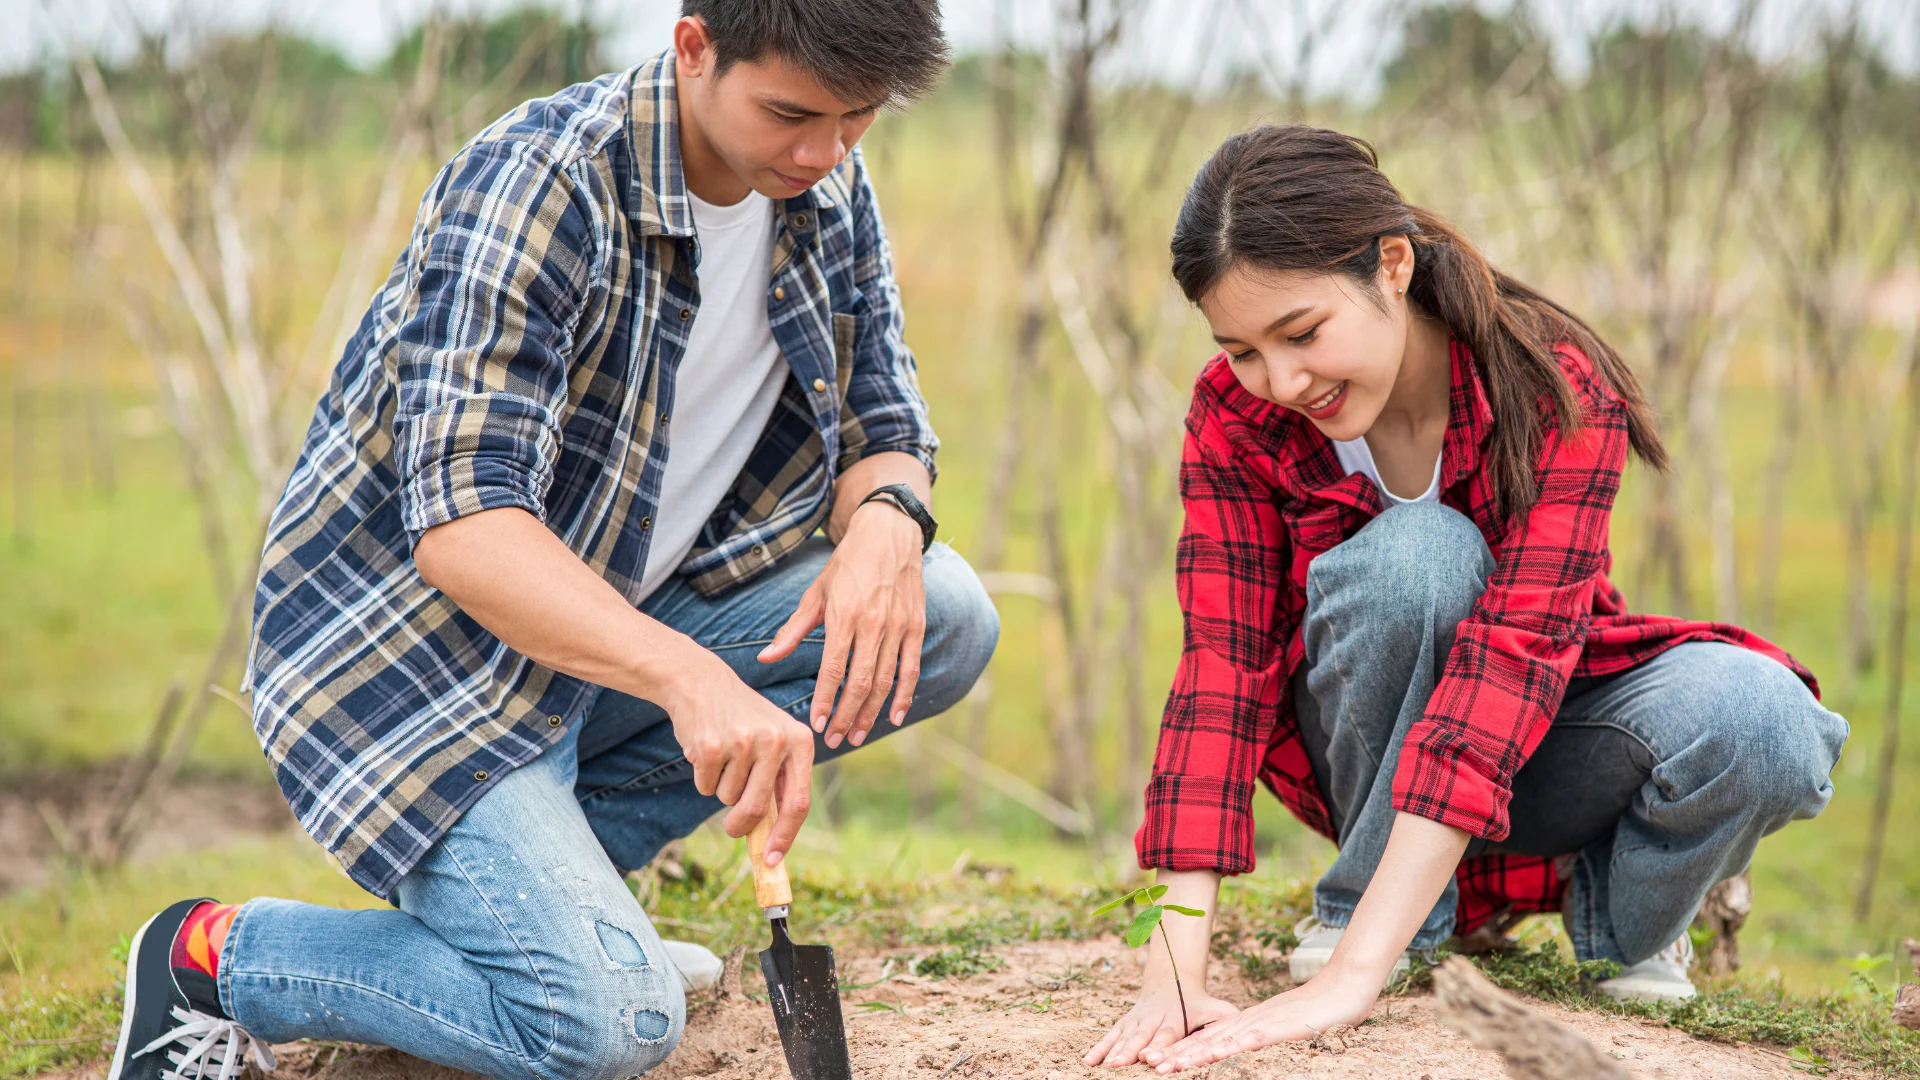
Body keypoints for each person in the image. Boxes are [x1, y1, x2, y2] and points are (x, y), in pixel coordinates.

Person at [108, 4, 997, 1079]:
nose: (825, 151)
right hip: (419, 672)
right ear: (694, 48)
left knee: (943, 613)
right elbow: (464, 527)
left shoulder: (821, 183)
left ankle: (566, 908)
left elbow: (887, 425)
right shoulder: (540, 180)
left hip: (611, 636)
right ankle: (217, 956)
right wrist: (687, 679)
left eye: (858, 119)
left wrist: (887, 524)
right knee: (608, 1027)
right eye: (792, 114)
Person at [1087, 124, 1847, 1074]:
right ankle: (1381, 916)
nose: (1281, 381)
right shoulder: (1236, 416)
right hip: (1370, 760)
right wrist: (1172, 966)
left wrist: (1346, 982)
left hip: (1538, 727)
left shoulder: (1554, 384)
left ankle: (1619, 911)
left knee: (1769, 718)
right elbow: (1223, 668)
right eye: (1240, 349)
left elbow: (1516, 659)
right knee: (1416, 558)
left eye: (1303, 332)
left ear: (1392, 265)